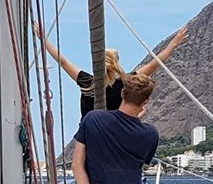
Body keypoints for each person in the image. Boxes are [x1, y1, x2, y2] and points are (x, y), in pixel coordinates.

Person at [31, 74, 166, 184]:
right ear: (146, 101)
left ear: (122, 93)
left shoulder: (94, 118)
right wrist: (135, 120)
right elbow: (130, 160)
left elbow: (77, 164)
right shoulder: (150, 133)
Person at [34, 22, 187, 120]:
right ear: (116, 62)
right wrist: (173, 44)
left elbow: (64, 62)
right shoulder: (126, 82)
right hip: (114, 133)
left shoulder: (88, 82)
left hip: (90, 134)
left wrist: (44, 39)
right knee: (140, 113)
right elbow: (155, 63)